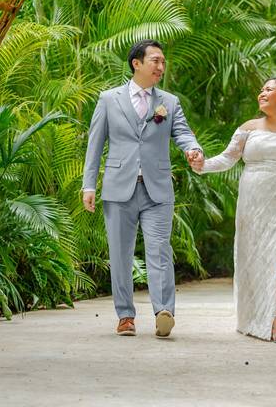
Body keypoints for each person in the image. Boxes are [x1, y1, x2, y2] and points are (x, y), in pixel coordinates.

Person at [82, 39, 203, 338]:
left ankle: (164, 311)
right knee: (120, 254)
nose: (161, 67)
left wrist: (193, 149)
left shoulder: (169, 102)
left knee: (160, 249)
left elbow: (183, 133)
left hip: (157, 190)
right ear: (137, 63)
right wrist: (89, 185)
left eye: (163, 62)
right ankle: (125, 316)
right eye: (156, 61)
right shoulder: (108, 99)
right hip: (117, 189)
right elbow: (95, 145)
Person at [195, 78, 276, 343]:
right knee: (256, 257)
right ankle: (257, 315)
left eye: (269, 89)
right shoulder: (249, 128)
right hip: (254, 201)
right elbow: (228, 158)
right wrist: (202, 165)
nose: (262, 93)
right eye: (261, 89)